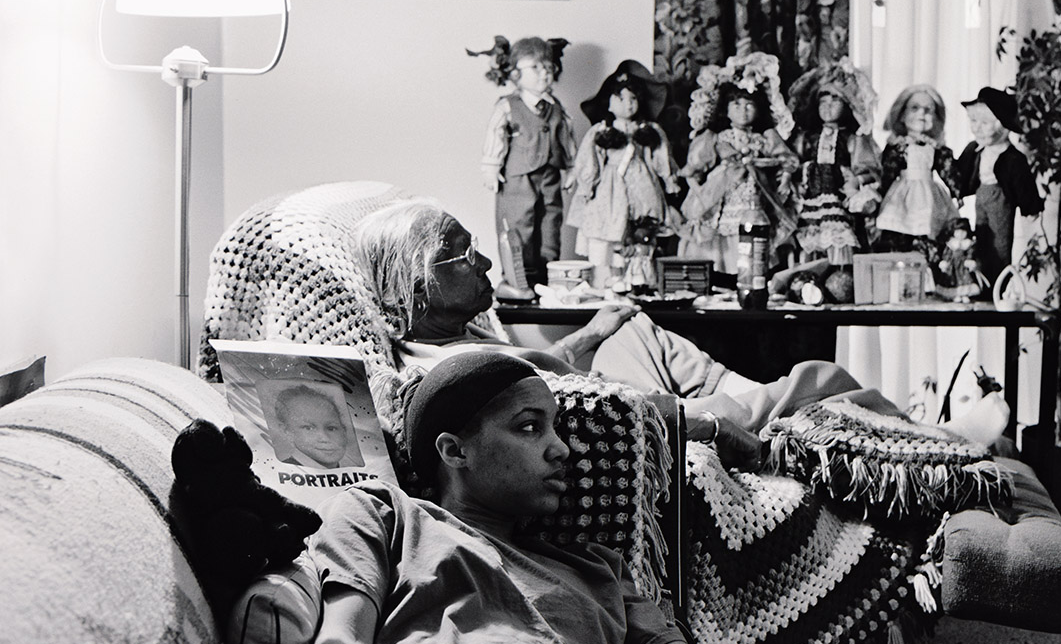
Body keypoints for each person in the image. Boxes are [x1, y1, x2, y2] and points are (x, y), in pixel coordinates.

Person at [310, 350, 1027, 644]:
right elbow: (337, 640)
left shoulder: (592, 566)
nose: (561, 450)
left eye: (559, 428)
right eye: (531, 429)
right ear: (453, 449)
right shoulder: (386, 514)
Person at [352, 198, 1013, 464]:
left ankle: (763, 392)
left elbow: (550, 363)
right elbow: (569, 394)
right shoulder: (457, 370)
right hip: (656, 418)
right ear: (411, 284)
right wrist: (697, 422)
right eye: (461, 256)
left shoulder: (460, 336)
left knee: (633, 326)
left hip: (615, 386)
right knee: (820, 376)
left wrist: (594, 330)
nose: (486, 262)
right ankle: (943, 442)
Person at [677, 52, 801, 273]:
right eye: (736, 105)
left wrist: (785, 179)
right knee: (721, 227)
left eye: (748, 105)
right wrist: (699, 193)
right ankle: (723, 269)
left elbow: (786, 159)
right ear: (725, 109)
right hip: (723, 189)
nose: (742, 111)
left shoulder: (765, 137)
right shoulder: (717, 138)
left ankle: (749, 272)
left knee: (753, 228)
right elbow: (694, 169)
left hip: (754, 190)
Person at [472, 36, 577, 293]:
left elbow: (566, 138)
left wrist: (571, 166)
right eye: (536, 68)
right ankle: (518, 280)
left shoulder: (557, 109)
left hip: (550, 178)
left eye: (548, 67)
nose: (544, 73)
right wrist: (491, 167)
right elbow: (495, 135)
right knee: (519, 228)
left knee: (550, 226)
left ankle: (547, 278)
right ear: (516, 73)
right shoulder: (509, 106)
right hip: (518, 180)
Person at [565, 60, 681, 290]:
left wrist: (669, 181)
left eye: (633, 99)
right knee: (608, 233)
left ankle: (638, 279)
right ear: (609, 103)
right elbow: (589, 162)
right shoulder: (601, 131)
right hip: (610, 188)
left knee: (642, 231)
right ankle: (606, 282)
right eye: (621, 99)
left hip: (642, 187)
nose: (628, 105)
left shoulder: (649, 131)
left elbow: (661, 157)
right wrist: (586, 187)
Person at [787, 59, 883, 266]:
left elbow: (869, 168)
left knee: (839, 236)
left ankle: (839, 271)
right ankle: (807, 273)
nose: (828, 107)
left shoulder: (852, 139)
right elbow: (793, 161)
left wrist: (856, 179)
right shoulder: (807, 137)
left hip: (838, 196)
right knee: (809, 236)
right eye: (823, 101)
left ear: (847, 106)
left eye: (835, 101)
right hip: (811, 195)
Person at [953, 88, 1044, 285]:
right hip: (981, 195)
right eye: (974, 121)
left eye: (984, 123)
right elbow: (961, 173)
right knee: (981, 237)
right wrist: (958, 192)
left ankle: (998, 283)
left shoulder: (1012, 157)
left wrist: (1030, 207)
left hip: (1000, 198)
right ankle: (980, 280)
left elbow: (1023, 183)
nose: (977, 128)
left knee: (1000, 242)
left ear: (1002, 125)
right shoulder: (975, 150)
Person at [874, 84, 960, 252]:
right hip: (903, 195)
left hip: (930, 195)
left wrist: (956, 191)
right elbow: (887, 173)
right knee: (898, 228)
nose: (922, 114)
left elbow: (947, 170)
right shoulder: (899, 147)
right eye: (915, 108)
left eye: (929, 110)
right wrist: (879, 194)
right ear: (901, 115)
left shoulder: (936, 148)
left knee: (931, 228)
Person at [276, 384, 351, 469]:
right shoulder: (273, 475)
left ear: (344, 430)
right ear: (286, 431)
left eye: (331, 428)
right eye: (309, 428)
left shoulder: (356, 473)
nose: (324, 438)